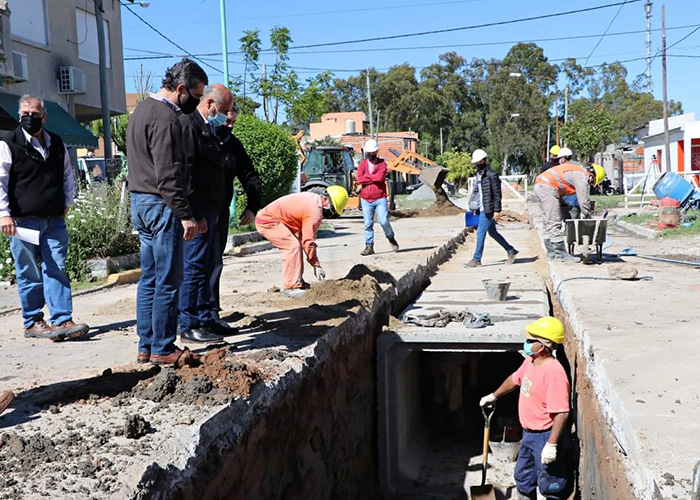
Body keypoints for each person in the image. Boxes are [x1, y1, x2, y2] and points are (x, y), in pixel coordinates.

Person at [127, 58, 207, 365]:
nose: (196, 102)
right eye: (196, 95)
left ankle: (146, 344)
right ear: (183, 89)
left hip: (141, 202)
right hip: (161, 205)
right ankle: (163, 346)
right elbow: (168, 172)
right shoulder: (165, 118)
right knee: (169, 278)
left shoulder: (141, 111)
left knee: (149, 277)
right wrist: (186, 214)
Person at [0, 95, 89, 341]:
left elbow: (67, 177)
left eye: (35, 114)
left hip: (54, 220)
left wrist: (67, 204)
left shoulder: (56, 143)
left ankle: (62, 320)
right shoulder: (9, 143)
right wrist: (3, 214)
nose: (30, 118)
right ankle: (33, 322)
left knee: (57, 268)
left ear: (44, 117)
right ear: (19, 117)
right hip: (22, 222)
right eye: (25, 114)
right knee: (28, 271)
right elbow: (1, 182)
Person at [479, 316, 572, 500]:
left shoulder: (554, 374)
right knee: (523, 477)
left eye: (531, 340)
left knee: (550, 484)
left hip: (545, 435)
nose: (527, 343)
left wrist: (551, 445)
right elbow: (515, 379)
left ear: (544, 345)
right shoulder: (531, 361)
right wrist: (494, 395)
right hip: (528, 434)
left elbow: (562, 412)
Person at [176, 84, 234, 344]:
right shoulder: (189, 126)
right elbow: (187, 173)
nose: (225, 117)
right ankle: (188, 323)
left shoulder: (207, 126)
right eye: (223, 111)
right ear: (210, 103)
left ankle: (204, 317)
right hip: (198, 212)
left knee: (206, 266)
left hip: (211, 211)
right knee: (194, 267)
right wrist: (193, 213)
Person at [208, 103, 262, 327]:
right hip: (196, 212)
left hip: (219, 213)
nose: (228, 126)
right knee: (194, 264)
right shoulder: (199, 137)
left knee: (214, 262)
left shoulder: (233, 145)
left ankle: (211, 311)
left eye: (232, 123)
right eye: (226, 120)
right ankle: (189, 314)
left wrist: (252, 206)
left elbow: (250, 176)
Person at [255, 186, 348, 297]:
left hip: (272, 219)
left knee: (295, 245)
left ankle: (297, 281)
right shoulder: (315, 212)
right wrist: (316, 265)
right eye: (333, 209)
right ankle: (291, 287)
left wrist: (314, 262)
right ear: (326, 201)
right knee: (292, 247)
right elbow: (308, 241)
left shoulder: (313, 199)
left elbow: (304, 237)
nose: (331, 214)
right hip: (267, 221)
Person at [533, 147, 605, 262]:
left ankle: (551, 253)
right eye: (592, 182)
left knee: (548, 222)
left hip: (540, 186)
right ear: (591, 175)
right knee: (554, 222)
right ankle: (561, 254)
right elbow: (584, 201)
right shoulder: (581, 175)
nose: (590, 184)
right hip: (547, 188)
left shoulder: (574, 170)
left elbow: (562, 189)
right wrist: (588, 218)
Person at [465, 149, 518, 268]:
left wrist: (497, 211)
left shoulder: (492, 175)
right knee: (493, 233)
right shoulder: (479, 175)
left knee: (480, 233)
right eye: (476, 163)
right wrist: (475, 206)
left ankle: (477, 259)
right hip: (482, 207)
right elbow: (477, 192)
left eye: (478, 162)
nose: (477, 165)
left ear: (483, 160)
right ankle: (511, 250)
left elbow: (497, 194)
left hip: (489, 209)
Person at [356, 139, 399, 256]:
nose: (370, 155)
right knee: (368, 223)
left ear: (376, 152)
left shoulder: (382, 164)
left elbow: (380, 178)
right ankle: (369, 246)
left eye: (372, 153)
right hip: (365, 199)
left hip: (380, 197)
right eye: (368, 153)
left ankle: (391, 237)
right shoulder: (362, 165)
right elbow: (359, 179)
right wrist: (371, 178)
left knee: (383, 220)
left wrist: (366, 178)